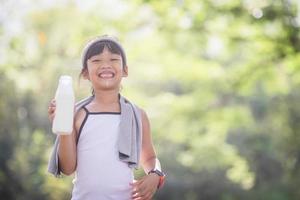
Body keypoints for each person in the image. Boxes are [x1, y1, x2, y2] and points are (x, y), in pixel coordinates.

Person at [47, 35, 165, 200]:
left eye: (114, 59)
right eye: (96, 61)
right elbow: (67, 168)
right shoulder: (76, 114)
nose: (105, 65)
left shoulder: (137, 115)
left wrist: (155, 174)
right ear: (85, 73)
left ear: (125, 70)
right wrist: (64, 126)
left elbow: (150, 158)